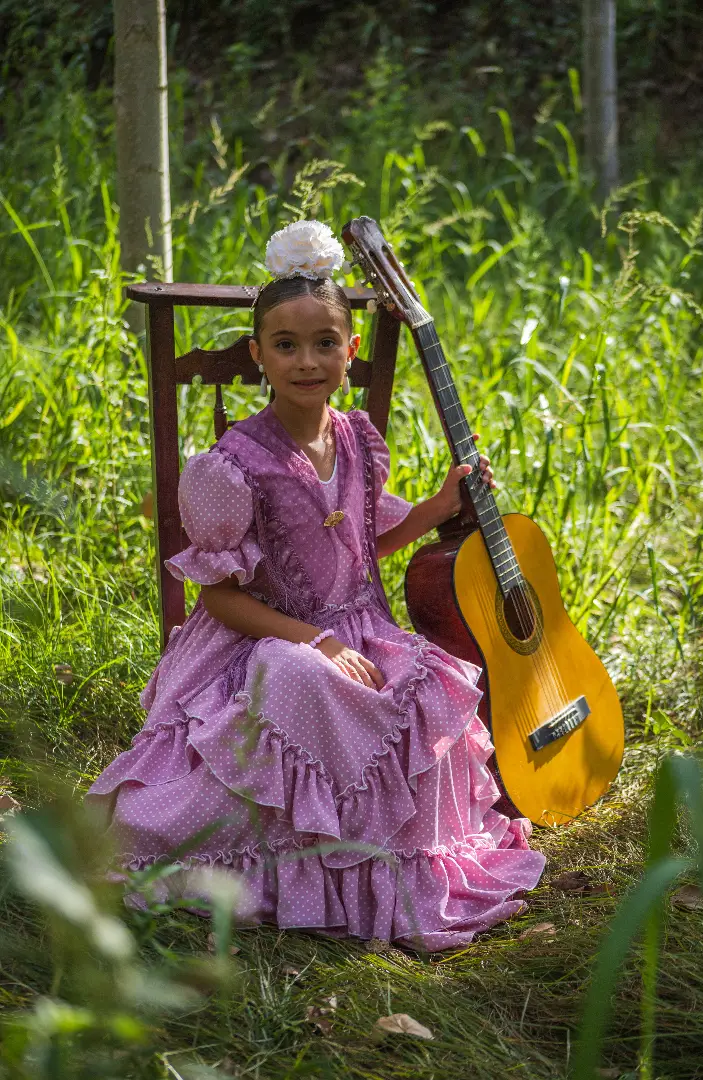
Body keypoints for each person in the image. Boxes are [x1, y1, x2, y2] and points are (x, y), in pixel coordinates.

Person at [87, 220, 545, 951]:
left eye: (325, 343)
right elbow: (220, 596)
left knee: (428, 683)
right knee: (296, 677)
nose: (307, 361)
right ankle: (270, 857)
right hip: (263, 635)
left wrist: (437, 508)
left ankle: (384, 864)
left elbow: (367, 541)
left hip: (359, 625)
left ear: (350, 351)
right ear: (258, 355)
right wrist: (316, 639)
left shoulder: (358, 437)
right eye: (287, 345)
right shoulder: (232, 467)